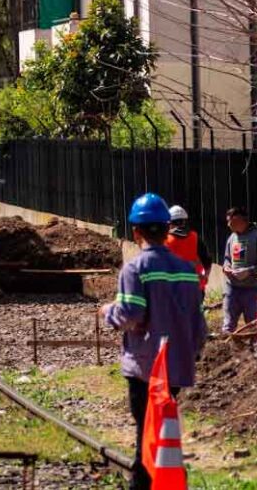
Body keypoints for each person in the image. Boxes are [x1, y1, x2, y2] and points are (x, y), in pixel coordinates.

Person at [102, 193, 207, 490]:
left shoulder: (135, 269)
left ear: (136, 232)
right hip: (175, 368)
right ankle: (170, 481)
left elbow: (130, 314)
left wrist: (108, 312)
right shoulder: (188, 271)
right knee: (165, 434)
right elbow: (199, 326)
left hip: (145, 368)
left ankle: (144, 484)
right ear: (166, 229)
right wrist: (190, 353)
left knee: (146, 437)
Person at [222, 207, 257, 334]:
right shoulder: (232, 237)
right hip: (232, 288)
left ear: (240, 220)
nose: (228, 225)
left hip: (252, 290)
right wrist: (226, 267)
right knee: (228, 326)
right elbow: (227, 258)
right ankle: (226, 352)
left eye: (230, 222)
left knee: (253, 327)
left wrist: (249, 271)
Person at [166, 205, 213, 295]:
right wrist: (205, 276)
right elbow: (207, 261)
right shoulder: (195, 238)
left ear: (170, 223)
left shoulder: (165, 240)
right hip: (195, 288)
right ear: (184, 221)